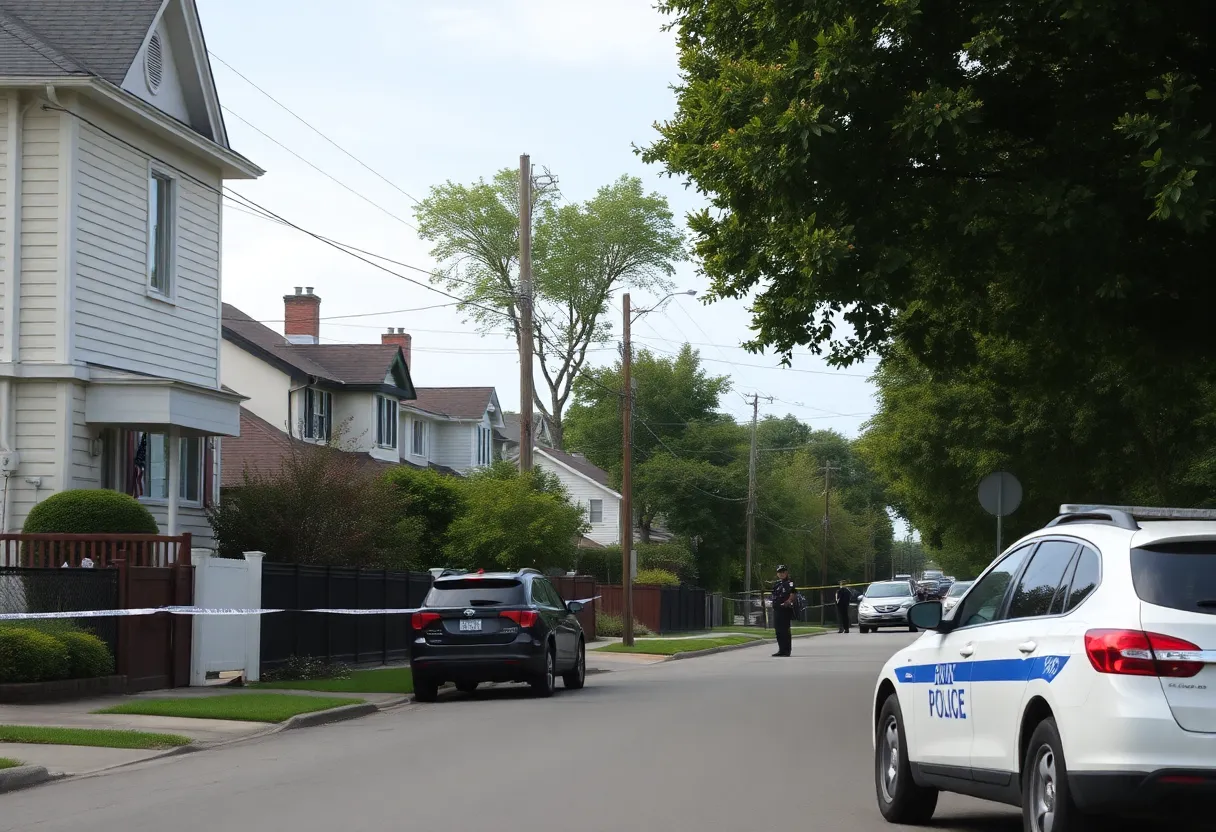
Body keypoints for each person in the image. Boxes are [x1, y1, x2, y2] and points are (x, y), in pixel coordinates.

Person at [770, 565, 796, 657]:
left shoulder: (790, 583)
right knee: (778, 630)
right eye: (779, 572)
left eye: (783, 572)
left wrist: (788, 601)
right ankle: (781, 649)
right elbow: (773, 596)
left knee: (785, 630)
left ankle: (786, 650)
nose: (781, 574)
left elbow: (793, 593)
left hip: (785, 609)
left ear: (786, 572)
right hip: (777, 609)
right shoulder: (777, 584)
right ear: (777, 574)